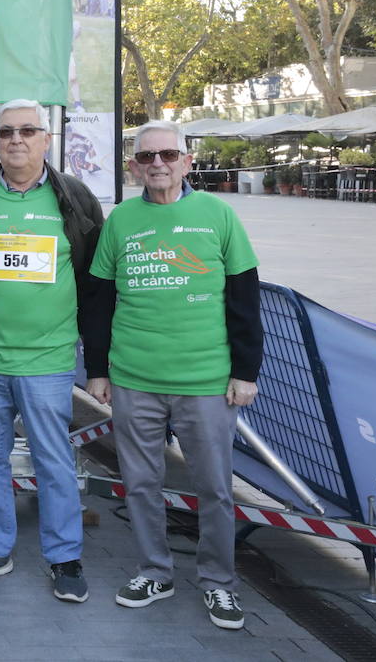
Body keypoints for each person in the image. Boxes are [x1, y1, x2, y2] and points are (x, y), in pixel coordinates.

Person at [84, 120, 262, 631]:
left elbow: (245, 298)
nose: (156, 163)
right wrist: (98, 370)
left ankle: (219, 584)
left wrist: (245, 372)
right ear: (133, 165)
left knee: (214, 489)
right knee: (140, 483)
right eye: (145, 157)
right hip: (133, 378)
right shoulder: (120, 221)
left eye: (167, 154)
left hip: (206, 381)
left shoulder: (218, 214)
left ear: (187, 161)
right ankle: (154, 571)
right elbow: (100, 300)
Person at [0, 100, 104, 602]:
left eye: (28, 131)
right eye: (7, 131)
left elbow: (90, 276)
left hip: (48, 358)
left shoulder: (73, 199)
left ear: (46, 138)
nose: (16, 139)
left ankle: (64, 557)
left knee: (53, 460)